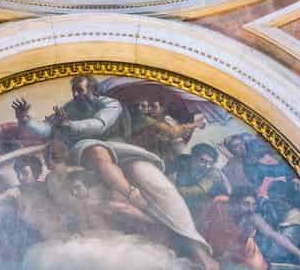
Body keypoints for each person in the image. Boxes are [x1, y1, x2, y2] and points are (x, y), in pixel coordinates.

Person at [26, 76, 215, 268]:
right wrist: (25, 120)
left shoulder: (111, 104)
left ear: (93, 90)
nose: (76, 95)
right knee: (97, 151)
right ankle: (132, 194)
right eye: (74, 91)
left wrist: (71, 125)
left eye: (80, 90)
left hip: (123, 150)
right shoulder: (70, 108)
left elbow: (100, 124)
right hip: (86, 150)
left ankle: (197, 249)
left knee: (160, 186)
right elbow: (46, 129)